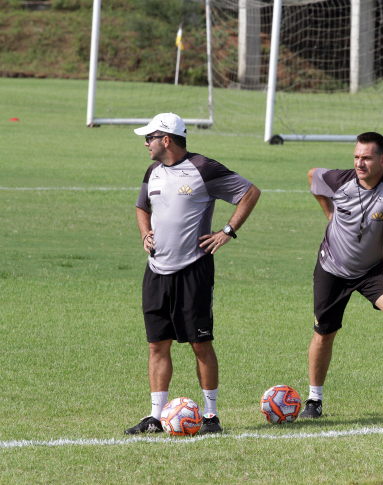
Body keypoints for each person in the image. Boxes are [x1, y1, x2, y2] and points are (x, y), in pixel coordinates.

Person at [124, 113, 260, 435]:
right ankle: (156, 416)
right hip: (156, 270)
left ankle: (211, 416)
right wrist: (145, 233)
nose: (146, 143)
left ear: (166, 140)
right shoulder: (153, 171)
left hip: (193, 270)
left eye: (150, 138)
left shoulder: (204, 169)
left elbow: (250, 193)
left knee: (201, 345)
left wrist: (228, 230)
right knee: (157, 345)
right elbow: (142, 206)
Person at [299, 132, 383, 419]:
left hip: (372, 270)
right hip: (332, 268)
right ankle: (314, 399)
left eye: (367, 157)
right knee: (324, 334)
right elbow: (313, 177)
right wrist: (330, 214)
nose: (360, 163)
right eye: (356, 157)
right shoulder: (340, 180)